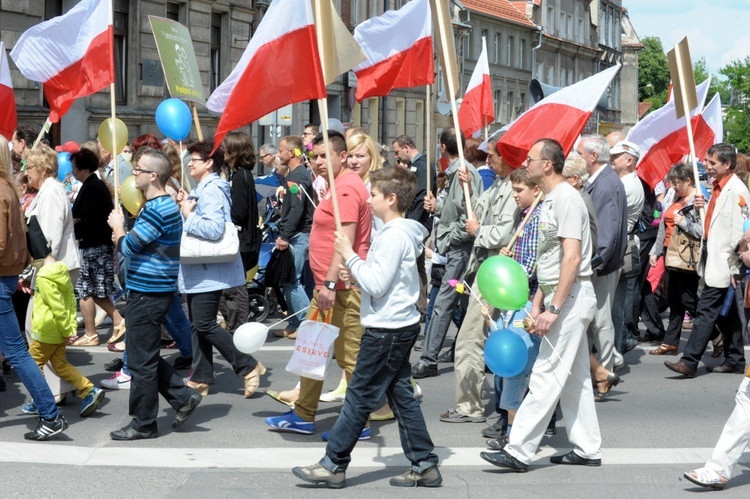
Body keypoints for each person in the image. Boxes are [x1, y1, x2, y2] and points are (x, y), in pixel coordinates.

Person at [292, 166, 441, 489]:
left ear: (391, 199)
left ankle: (333, 464)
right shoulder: (396, 233)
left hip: (387, 329)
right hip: (395, 325)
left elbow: (376, 284)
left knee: (359, 397)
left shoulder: (395, 235)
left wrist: (348, 255)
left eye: (373, 195)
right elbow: (382, 279)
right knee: (401, 397)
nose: (368, 200)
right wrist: (355, 272)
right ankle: (425, 462)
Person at [480, 138, 601, 472]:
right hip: (556, 293)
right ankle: (588, 447)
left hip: (572, 295)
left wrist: (555, 308)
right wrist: (537, 303)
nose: (526, 162)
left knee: (546, 374)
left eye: (531, 158)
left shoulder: (566, 200)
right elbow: (549, 259)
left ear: (547, 164)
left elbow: (572, 258)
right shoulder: (549, 200)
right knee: (576, 378)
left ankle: (518, 449)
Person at [265, 131, 371, 434]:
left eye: (326, 156)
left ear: (343, 156)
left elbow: (346, 241)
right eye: (316, 156)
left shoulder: (348, 188)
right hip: (329, 286)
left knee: (350, 357)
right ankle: (303, 414)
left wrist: (328, 283)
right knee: (312, 349)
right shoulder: (336, 186)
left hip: (342, 288)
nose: (319, 162)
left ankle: (356, 423)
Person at [107, 148, 202, 440]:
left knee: (142, 361)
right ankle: (182, 397)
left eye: (139, 169)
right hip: (149, 290)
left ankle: (144, 422)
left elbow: (130, 247)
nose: (133, 173)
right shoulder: (158, 206)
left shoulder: (160, 208)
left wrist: (119, 229)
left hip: (149, 292)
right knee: (139, 356)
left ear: (153, 176)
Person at [178, 140, 265, 398]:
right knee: (197, 323)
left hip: (209, 269)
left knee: (205, 323)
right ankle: (201, 376)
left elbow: (215, 229)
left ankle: (247, 365)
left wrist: (188, 215)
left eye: (194, 159)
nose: (190, 163)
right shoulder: (204, 188)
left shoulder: (213, 189)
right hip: (200, 268)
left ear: (208, 163)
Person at [441, 135, 517, 423]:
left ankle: (470, 406)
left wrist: (478, 232)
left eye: (493, 155)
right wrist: (469, 185)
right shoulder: (498, 184)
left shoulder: (513, 189)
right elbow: (476, 210)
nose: (488, 160)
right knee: (484, 338)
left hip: (496, 272)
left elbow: (500, 234)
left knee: (470, 340)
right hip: (485, 270)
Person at [665, 144, 749, 377]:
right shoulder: (717, 189)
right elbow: (711, 225)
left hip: (726, 263)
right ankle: (735, 359)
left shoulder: (737, 190)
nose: (707, 167)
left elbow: (740, 230)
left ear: (727, 164)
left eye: (712, 163)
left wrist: (734, 266)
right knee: (728, 314)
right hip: (713, 261)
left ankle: (690, 361)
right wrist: (705, 208)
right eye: (707, 162)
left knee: (705, 311)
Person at [0, 158, 69, 440]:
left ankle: (51, 415)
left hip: (2, 277)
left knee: (16, 351)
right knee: (17, 350)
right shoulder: (6, 187)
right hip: (7, 275)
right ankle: (51, 413)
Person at [412, 128, 483, 379]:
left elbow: (470, 216)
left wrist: (449, 238)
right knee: (463, 301)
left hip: (459, 251)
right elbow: (455, 210)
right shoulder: (455, 174)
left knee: (443, 303)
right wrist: (437, 207)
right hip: (454, 249)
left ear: (442, 146)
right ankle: (462, 348)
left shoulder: (465, 174)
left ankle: (429, 359)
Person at [23, 145, 80, 402]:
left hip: (54, 270)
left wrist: (40, 278)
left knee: (38, 329)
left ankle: (56, 390)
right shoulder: (47, 191)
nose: (26, 173)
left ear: (44, 170)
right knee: (46, 332)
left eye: (30, 168)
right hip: (53, 269)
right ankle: (60, 387)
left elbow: (50, 241)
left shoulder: (51, 192)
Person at [25, 256, 106, 417]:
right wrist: (70, 329)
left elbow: (57, 307)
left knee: (33, 365)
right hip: (60, 333)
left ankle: (42, 399)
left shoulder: (43, 277)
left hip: (45, 331)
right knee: (61, 365)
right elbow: (70, 303)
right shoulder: (63, 273)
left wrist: (67, 331)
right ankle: (88, 389)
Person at [577, 134, 627, 371]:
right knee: (593, 319)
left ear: (593, 156)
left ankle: (605, 370)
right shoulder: (601, 179)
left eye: (580, 154)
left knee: (600, 320)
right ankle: (594, 369)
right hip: (599, 262)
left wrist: (594, 262)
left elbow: (607, 233)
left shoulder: (605, 184)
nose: (578, 159)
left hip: (602, 265)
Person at [70, 148, 126, 346]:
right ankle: (94, 331)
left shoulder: (93, 186)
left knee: (91, 290)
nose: (73, 172)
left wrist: (75, 225)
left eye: (75, 168)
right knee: (89, 290)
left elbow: (91, 219)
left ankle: (112, 323)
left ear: (84, 169)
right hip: (93, 244)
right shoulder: (92, 184)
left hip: (95, 245)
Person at [648, 164, 702, 356]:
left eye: (677, 182)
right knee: (674, 300)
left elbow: (703, 231)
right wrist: (656, 251)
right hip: (670, 253)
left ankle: (715, 335)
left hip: (686, 257)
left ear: (688, 180)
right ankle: (670, 342)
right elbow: (664, 225)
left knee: (689, 300)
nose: (673, 186)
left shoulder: (699, 199)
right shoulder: (675, 197)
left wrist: (685, 222)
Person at [272, 135, 314, 340]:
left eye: (281, 151)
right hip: (296, 234)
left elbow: (297, 210)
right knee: (289, 280)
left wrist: (285, 236)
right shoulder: (295, 175)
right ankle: (295, 322)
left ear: (292, 152)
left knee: (293, 281)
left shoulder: (297, 177)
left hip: (297, 236)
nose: (278, 155)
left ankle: (308, 323)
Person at [220, 132, 260, 333]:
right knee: (233, 285)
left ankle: (238, 326)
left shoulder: (240, 177)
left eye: (226, 148)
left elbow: (239, 213)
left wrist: (222, 207)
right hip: (244, 239)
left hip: (241, 240)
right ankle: (235, 324)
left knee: (234, 287)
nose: (222, 151)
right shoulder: (242, 175)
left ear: (234, 152)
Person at [609, 140, 644, 355]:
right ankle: (616, 345)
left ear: (629, 161)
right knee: (615, 304)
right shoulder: (623, 182)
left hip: (621, 246)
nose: (612, 159)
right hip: (621, 243)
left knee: (615, 306)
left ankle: (615, 347)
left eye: (617, 156)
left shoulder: (628, 185)